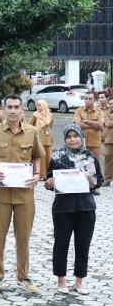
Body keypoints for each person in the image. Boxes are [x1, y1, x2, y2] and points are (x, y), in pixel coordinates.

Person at [0, 94, 43, 293]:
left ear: (22, 110)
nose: (13, 110)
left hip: (25, 194)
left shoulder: (32, 132)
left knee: (23, 237)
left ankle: (24, 276)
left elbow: (36, 156)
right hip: (1, 193)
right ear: (3, 110)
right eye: (10, 106)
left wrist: (36, 174)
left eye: (17, 106)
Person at [44, 123, 101, 295]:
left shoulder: (90, 157)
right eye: (68, 136)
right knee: (61, 244)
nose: (72, 139)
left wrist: (94, 182)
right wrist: (48, 184)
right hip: (63, 208)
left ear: (81, 137)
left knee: (83, 245)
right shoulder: (57, 157)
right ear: (65, 139)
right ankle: (61, 280)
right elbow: (48, 181)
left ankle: (79, 281)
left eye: (75, 135)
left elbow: (99, 179)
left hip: (86, 208)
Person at [29, 99, 54, 178]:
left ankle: (48, 174)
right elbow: (30, 125)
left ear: (44, 105)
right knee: (40, 157)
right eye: (37, 105)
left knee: (48, 156)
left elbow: (50, 126)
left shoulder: (50, 115)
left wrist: (48, 132)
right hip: (38, 138)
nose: (38, 107)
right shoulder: (35, 115)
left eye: (39, 105)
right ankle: (40, 174)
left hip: (48, 138)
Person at [74, 92, 103, 159]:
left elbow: (100, 125)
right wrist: (94, 124)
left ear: (94, 100)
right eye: (86, 98)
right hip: (81, 144)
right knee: (81, 164)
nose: (88, 100)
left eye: (90, 99)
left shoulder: (99, 111)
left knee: (95, 165)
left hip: (95, 144)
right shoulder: (78, 110)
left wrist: (87, 122)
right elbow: (78, 125)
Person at [103, 94, 113, 186]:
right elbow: (107, 123)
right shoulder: (105, 113)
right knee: (108, 160)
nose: (111, 105)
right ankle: (107, 179)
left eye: (112, 103)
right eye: (110, 104)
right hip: (109, 140)